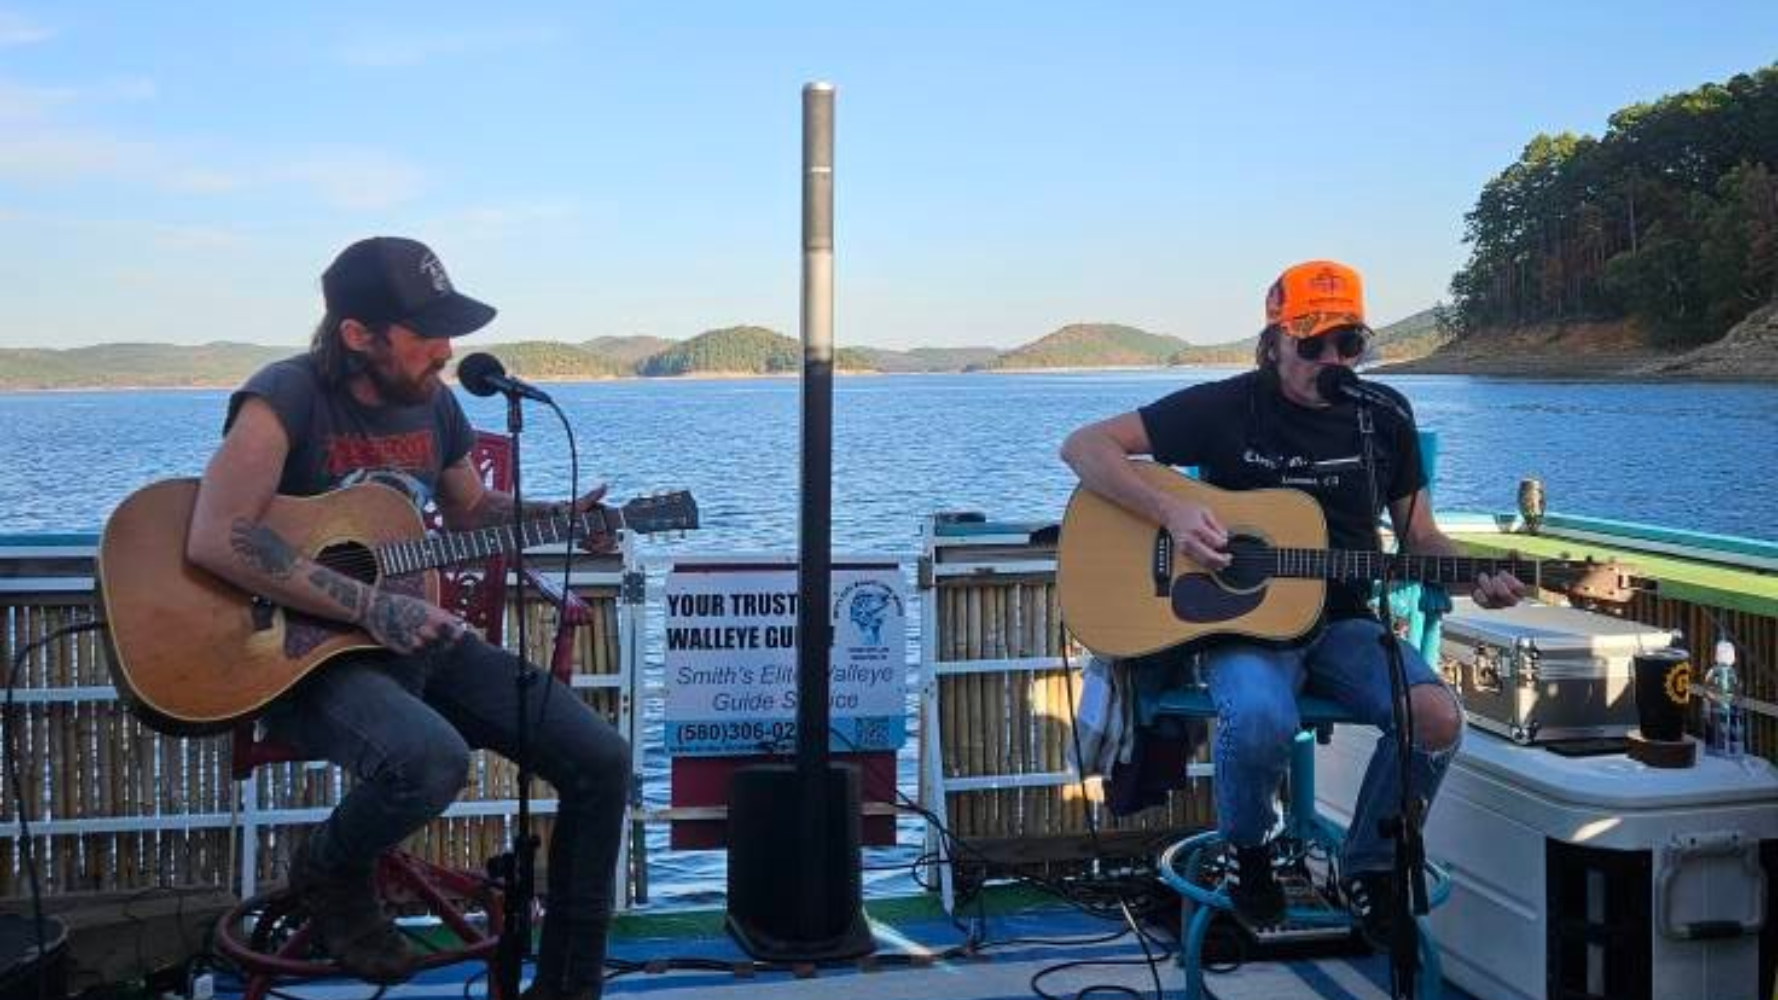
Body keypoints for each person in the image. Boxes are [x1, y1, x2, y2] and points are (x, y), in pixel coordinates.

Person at [185, 236, 629, 999]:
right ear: (359, 335)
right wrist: (370, 606)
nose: (447, 350)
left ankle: (567, 988)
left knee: (602, 759)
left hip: (415, 638)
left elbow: (468, 510)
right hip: (300, 653)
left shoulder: (436, 403)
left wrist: (556, 516)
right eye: (426, 332)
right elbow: (218, 532)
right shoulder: (284, 397)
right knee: (431, 759)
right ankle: (330, 865)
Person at [1059, 260, 1524, 944]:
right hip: (1241, 627)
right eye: (1312, 345)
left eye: (1349, 344)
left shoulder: (1383, 417)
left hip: (1341, 621)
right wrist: (1171, 514)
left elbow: (1420, 535)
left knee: (1434, 716)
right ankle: (1249, 855)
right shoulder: (1226, 406)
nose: (1331, 360)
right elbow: (1084, 446)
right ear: (1274, 341)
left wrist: (1476, 573)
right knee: (1257, 716)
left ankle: (1369, 865)